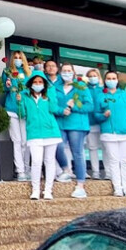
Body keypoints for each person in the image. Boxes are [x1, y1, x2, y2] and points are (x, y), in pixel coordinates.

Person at [17, 71, 64, 200]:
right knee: (36, 162)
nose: (38, 84)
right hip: (34, 133)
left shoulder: (48, 96)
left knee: (49, 162)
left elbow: (54, 109)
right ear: (31, 84)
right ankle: (35, 190)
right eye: (35, 82)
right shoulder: (25, 96)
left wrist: (51, 92)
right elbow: (22, 114)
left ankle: (48, 190)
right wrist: (19, 102)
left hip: (51, 132)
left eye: (40, 82)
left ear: (44, 84)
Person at [95, 71, 126, 197]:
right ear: (105, 81)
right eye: (108, 78)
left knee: (125, 161)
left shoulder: (125, 95)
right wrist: (103, 116)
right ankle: (118, 189)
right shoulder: (100, 96)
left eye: (113, 78)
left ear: (117, 80)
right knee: (113, 161)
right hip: (109, 134)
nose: (111, 80)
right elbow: (96, 115)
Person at [52, 63, 93, 199]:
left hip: (77, 125)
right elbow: (52, 105)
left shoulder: (81, 87)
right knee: (57, 146)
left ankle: (80, 185)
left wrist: (74, 107)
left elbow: (89, 106)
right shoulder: (55, 87)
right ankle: (66, 169)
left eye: (69, 71)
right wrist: (61, 110)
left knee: (77, 153)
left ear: (73, 73)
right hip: (61, 122)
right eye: (64, 71)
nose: (66, 73)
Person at [2, 50, 33, 181]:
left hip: (25, 111)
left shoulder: (28, 73)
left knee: (26, 142)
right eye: (15, 57)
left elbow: (31, 91)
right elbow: (5, 88)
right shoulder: (7, 72)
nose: (18, 59)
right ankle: (20, 171)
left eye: (20, 58)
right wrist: (8, 84)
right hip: (12, 109)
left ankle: (27, 168)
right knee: (17, 141)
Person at [84, 68, 106, 180]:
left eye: (95, 75)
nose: (93, 78)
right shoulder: (84, 89)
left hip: (103, 123)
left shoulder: (103, 90)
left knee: (105, 148)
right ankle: (95, 172)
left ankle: (108, 171)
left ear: (98, 77)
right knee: (92, 148)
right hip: (90, 123)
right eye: (90, 76)